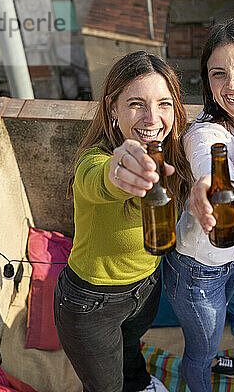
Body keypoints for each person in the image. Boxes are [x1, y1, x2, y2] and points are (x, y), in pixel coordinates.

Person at [54, 51, 193, 392]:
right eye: (136, 104)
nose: (152, 118)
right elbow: (99, 178)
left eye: (163, 104)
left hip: (145, 288)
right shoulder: (94, 160)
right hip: (90, 304)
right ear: (112, 108)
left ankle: (140, 383)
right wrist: (119, 173)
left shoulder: (174, 154)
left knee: (130, 350)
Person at [162, 18, 234, 392]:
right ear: (207, 82)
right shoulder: (206, 133)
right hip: (198, 269)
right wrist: (208, 186)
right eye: (218, 74)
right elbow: (209, 165)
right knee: (201, 346)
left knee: (215, 328)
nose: (231, 84)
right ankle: (203, 367)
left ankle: (211, 354)